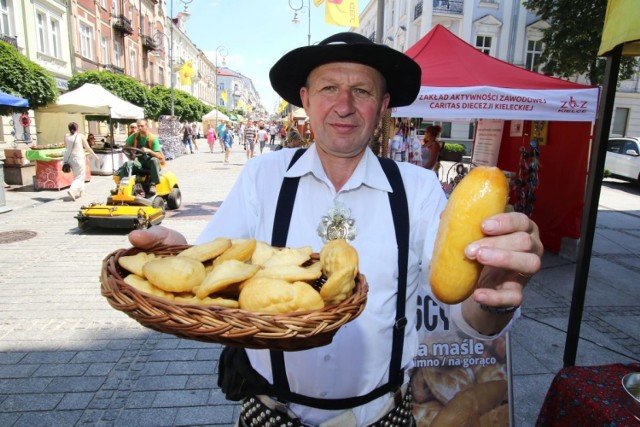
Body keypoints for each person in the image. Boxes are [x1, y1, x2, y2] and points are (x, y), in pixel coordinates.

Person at [127, 32, 543, 427]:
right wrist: (179, 262)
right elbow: (213, 277)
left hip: (381, 417)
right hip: (272, 413)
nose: (344, 105)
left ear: (382, 106)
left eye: (361, 91)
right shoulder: (263, 176)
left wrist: (494, 297)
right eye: (328, 89)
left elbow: (467, 316)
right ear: (306, 100)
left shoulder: (418, 189)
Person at [119, 119, 164, 196]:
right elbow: (125, 148)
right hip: (139, 161)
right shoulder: (134, 136)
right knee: (127, 164)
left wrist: (149, 151)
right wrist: (132, 158)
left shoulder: (153, 138)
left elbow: (158, 155)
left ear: (147, 126)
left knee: (154, 160)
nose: (139, 128)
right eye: (138, 126)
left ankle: (153, 184)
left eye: (142, 126)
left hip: (150, 162)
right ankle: (121, 186)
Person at [63, 122, 99, 201]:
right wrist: (96, 157)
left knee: (77, 175)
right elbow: (88, 148)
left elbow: (66, 146)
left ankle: (82, 192)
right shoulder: (80, 136)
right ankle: (72, 190)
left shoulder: (66, 136)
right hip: (78, 158)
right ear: (77, 128)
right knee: (80, 177)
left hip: (68, 159)